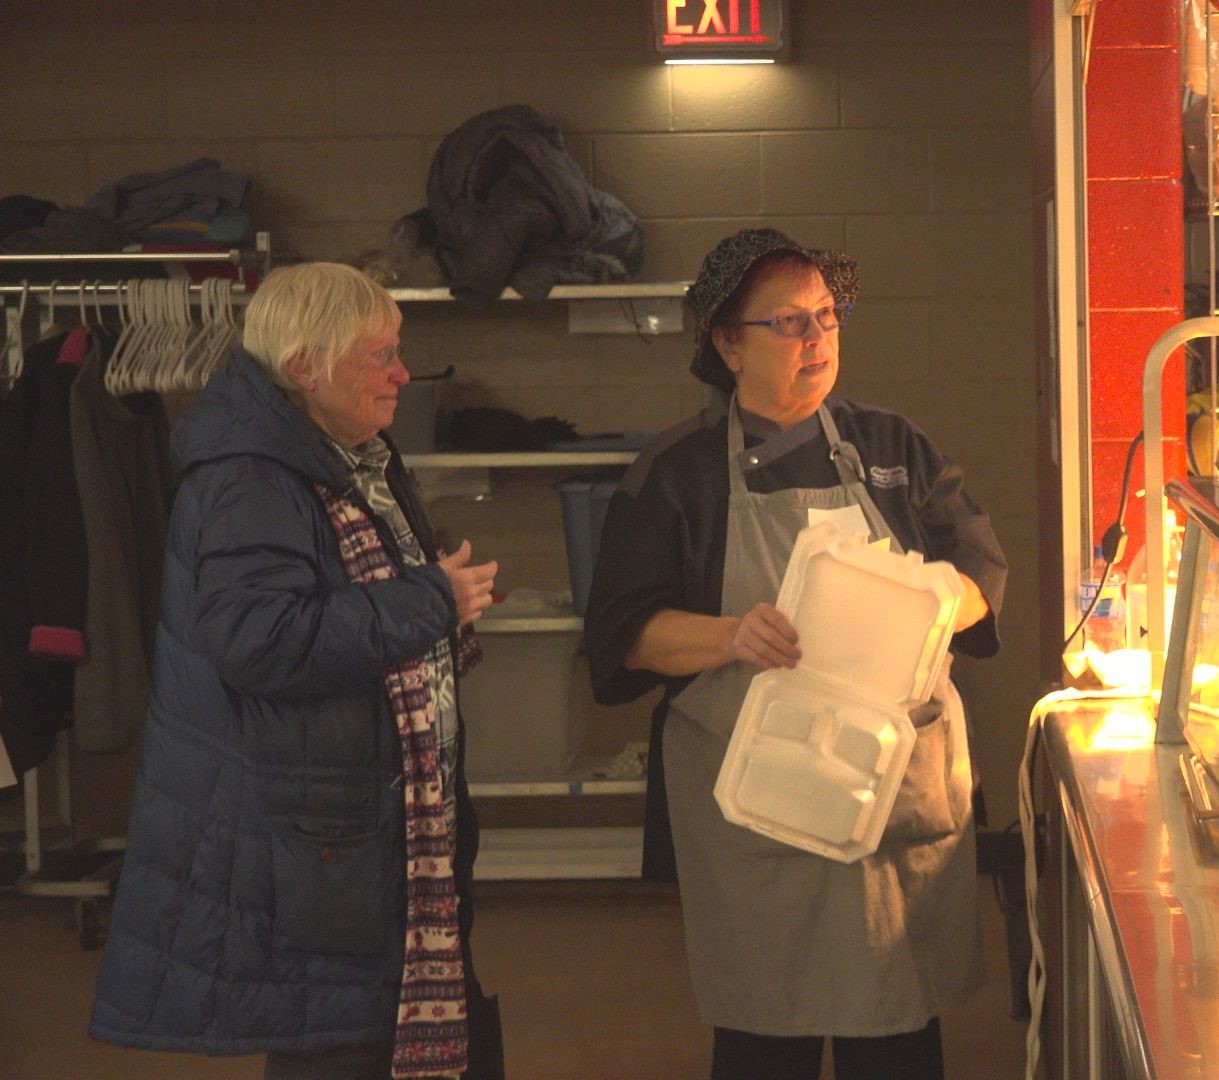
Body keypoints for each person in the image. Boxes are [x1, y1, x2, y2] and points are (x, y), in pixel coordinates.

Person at [584, 228, 1007, 1080]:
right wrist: (732, 634)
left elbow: (980, 578)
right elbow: (624, 634)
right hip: (757, 814)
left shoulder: (892, 447)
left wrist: (924, 603)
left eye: (827, 316)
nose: (817, 340)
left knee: (895, 1032)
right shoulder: (676, 474)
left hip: (890, 799)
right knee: (762, 1037)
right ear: (726, 344)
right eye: (788, 324)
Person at [89, 263, 505, 1079]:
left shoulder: (342, 455)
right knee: (339, 1047)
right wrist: (430, 602)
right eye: (378, 355)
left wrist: (435, 607)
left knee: (361, 1035)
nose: (401, 374)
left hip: (346, 833)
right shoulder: (253, 476)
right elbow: (259, 640)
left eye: (398, 351)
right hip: (321, 845)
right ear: (304, 368)